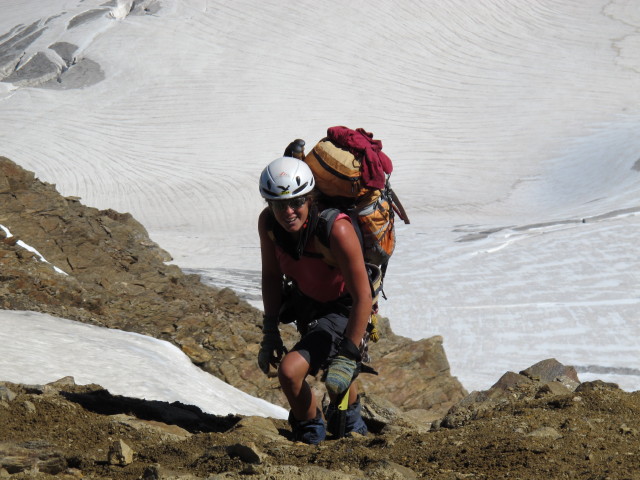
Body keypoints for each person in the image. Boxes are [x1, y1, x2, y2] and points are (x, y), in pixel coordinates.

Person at [257, 156, 373, 444]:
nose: (288, 211)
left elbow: (363, 296)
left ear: (310, 199)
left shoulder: (336, 229)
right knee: (336, 380)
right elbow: (271, 276)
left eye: (296, 202)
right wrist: (270, 331)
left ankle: (332, 424)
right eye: (279, 204)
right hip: (308, 306)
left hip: (345, 308)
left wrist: (349, 352)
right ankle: (328, 422)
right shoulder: (269, 225)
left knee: (301, 373)